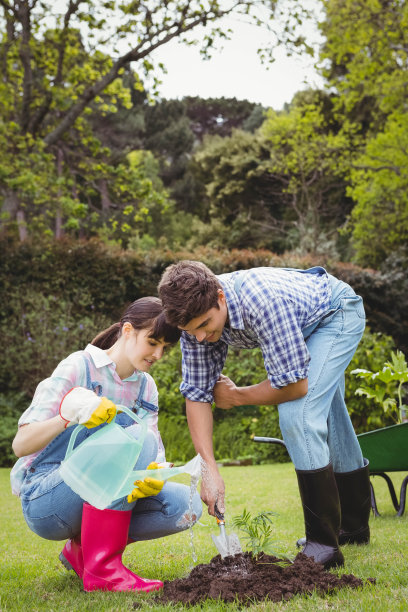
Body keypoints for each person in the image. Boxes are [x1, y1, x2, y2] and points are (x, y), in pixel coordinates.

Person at [158, 261, 372, 569]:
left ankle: (324, 545)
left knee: (298, 413)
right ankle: (353, 527)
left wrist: (238, 396)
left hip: (334, 315)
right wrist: (210, 472)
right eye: (191, 331)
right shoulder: (194, 322)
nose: (201, 337)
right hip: (303, 325)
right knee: (330, 414)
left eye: (205, 325)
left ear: (220, 298)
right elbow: (196, 394)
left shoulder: (262, 301)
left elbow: (295, 386)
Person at [10, 297, 202, 592]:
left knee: (186, 506)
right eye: (153, 342)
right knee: (132, 434)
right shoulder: (80, 367)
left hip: (93, 497)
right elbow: (21, 445)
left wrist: (152, 475)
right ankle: (103, 570)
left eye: (165, 347)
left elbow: (153, 452)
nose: (159, 354)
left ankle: (83, 552)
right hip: (46, 498)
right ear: (128, 330)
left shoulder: (146, 387)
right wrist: (68, 415)